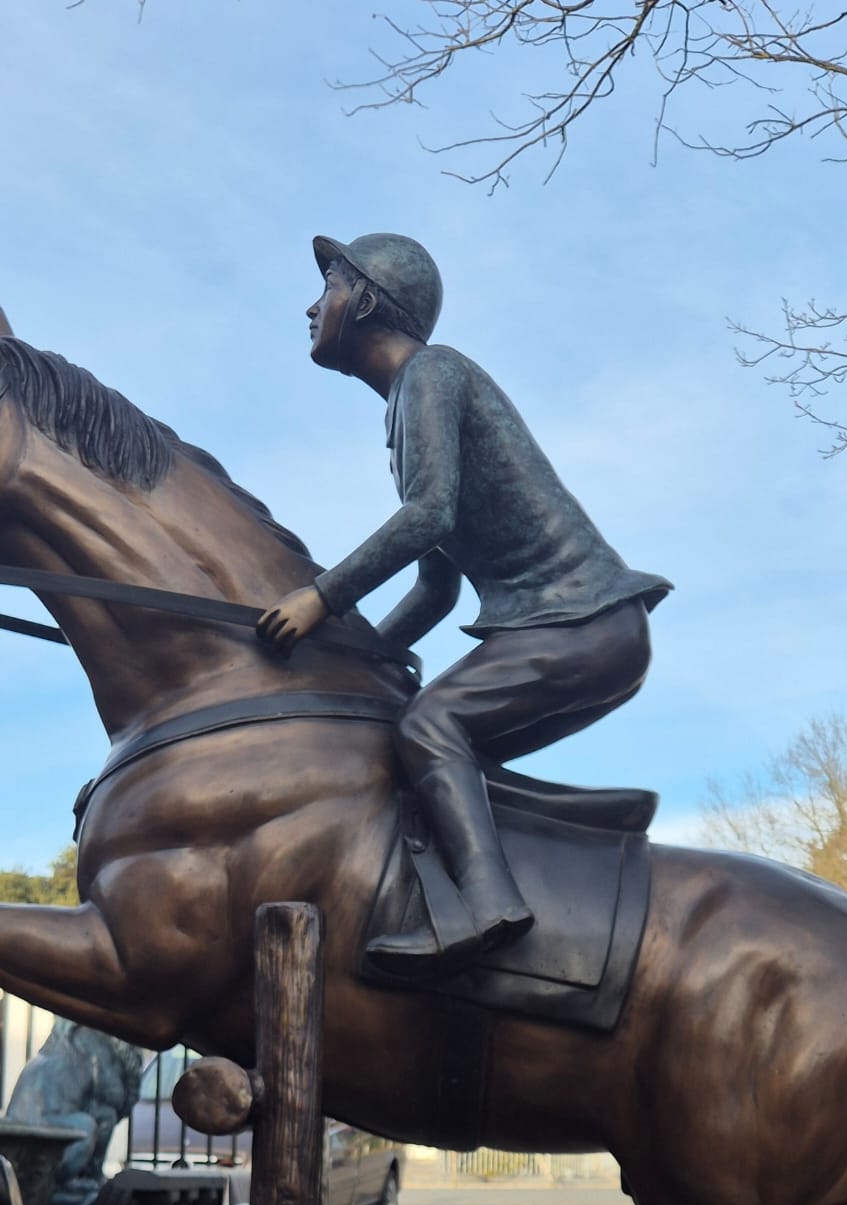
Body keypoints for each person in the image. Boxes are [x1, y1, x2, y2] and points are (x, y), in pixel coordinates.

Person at [257, 233, 669, 968]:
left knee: (426, 729)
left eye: (329, 286)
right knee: (427, 761)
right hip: (585, 631)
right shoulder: (409, 404)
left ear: (367, 301)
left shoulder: (432, 375)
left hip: (578, 623)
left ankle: (487, 904)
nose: (312, 305)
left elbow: (428, 517)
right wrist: (366, 656)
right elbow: (437, 584)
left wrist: (321, 601)